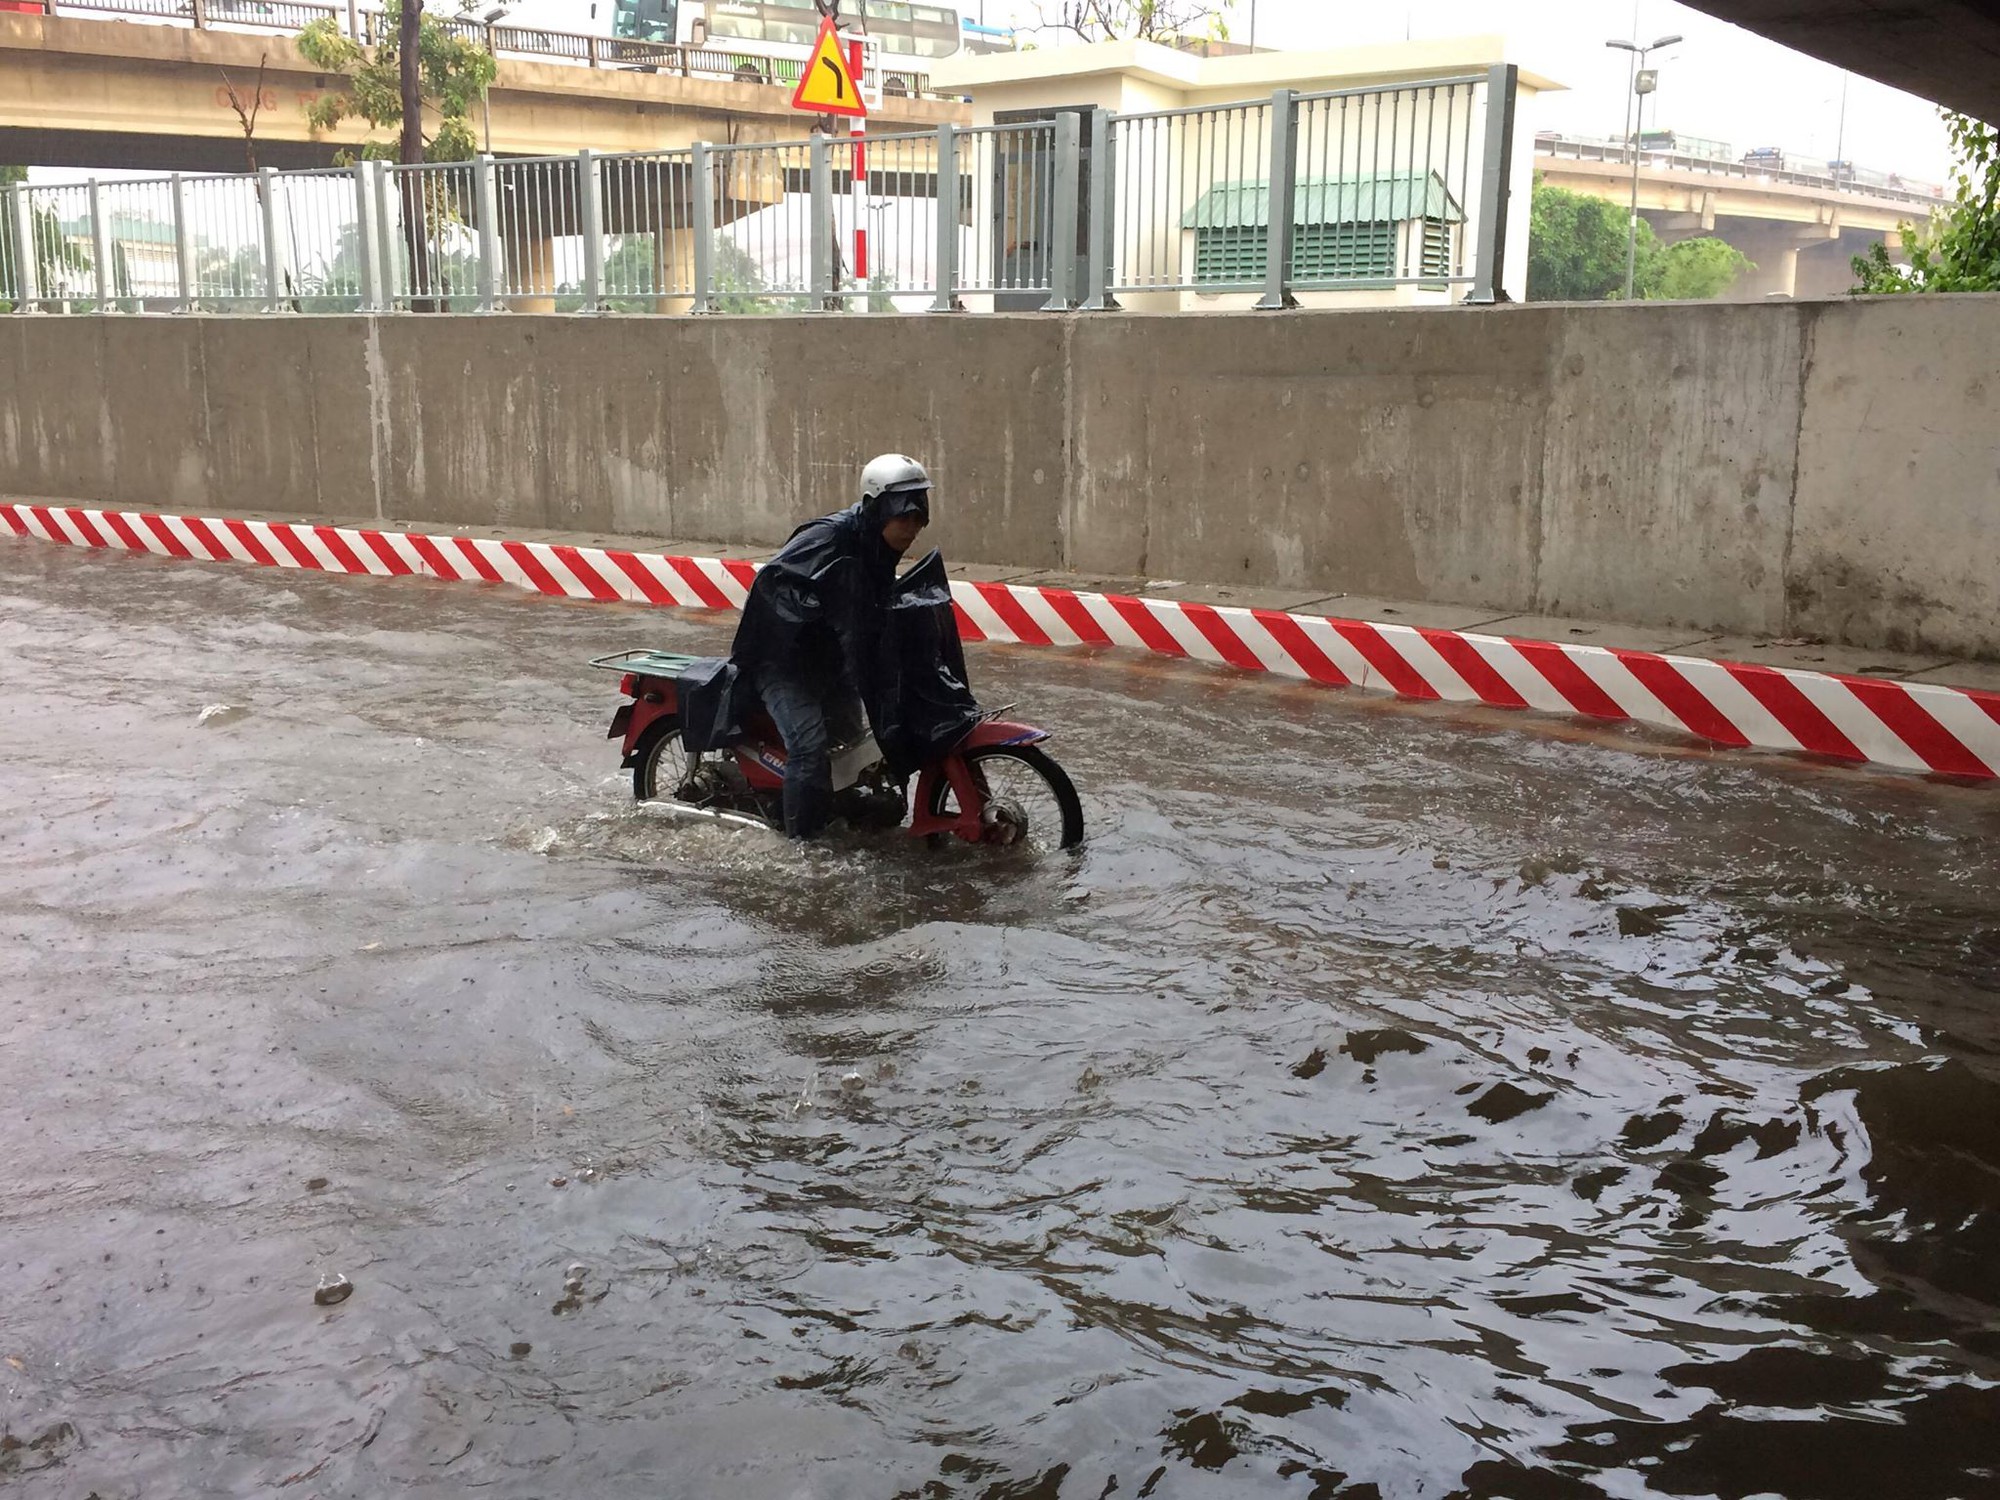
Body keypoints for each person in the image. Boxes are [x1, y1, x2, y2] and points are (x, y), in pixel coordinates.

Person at [728, 454, 932, 838]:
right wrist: (819, 616)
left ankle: (842, 814)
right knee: (810, 748)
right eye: (903, 516)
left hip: (834, 661)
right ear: (877, 509)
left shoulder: (879, 546)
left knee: (855, 749)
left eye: (918, 517)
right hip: (783, 662)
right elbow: (771, 585)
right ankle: (799, 845)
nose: (911, 528)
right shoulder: (828, 537)